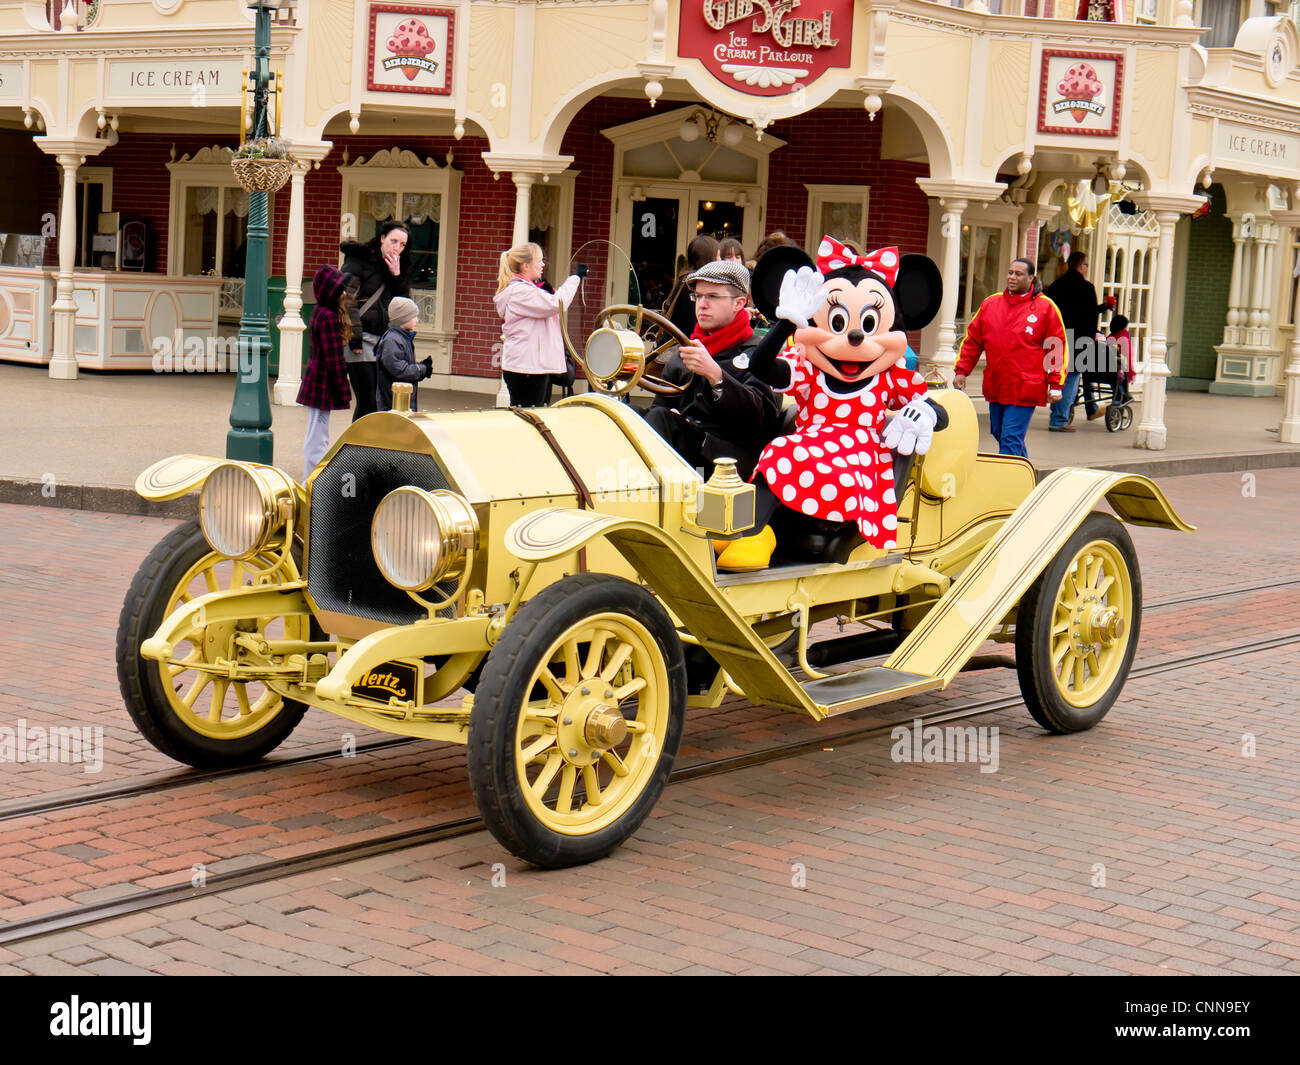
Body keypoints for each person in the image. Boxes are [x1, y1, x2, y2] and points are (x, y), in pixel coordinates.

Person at [642, 258, 780, 489]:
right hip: (686, 454)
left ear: (739, 303)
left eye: (713, 297)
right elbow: (660, 407)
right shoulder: (685, 352)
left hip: (729, 464)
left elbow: (764, 420)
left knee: (659, 420)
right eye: (698, 296)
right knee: (624, 415)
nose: (702, 304)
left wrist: (716, 376)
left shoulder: (759, 353)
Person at [953, 257, 1066, 458]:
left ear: (1031, 278)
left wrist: (1056, 384)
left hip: (1026, 386)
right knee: (998, 431)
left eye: (1018, 274)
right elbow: (972, 341)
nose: (1012, 277)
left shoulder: (1046, 308)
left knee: (1010, 436)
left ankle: (1009, 484)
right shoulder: (990, 304)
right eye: (1010, 272)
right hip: (997, 382)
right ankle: (1026, 474)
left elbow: (1056, 348)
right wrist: (962, 370)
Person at [493, 242, 585, 408]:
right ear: (526, 265)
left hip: (530, 367)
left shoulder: (525, 290)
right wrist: (575, 279)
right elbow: (556, 304)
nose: (543, 265)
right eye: (539, 261)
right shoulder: (521, 292)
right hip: (527, 369)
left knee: (531, 416)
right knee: (529, 418)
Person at [340, 221, 411, 422]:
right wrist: (354, 337)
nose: (397, 247)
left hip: (385, 341)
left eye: (402, 244)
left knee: (381, 401)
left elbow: (404, 307)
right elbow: (346, 300)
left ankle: (368, 445)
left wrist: (396, 276)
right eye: (393, 241)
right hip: (361, 339)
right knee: (367, 399)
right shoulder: (359, 260)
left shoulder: (399, 268)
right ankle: (356, 446)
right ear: (382, 238)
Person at [1045, 250, 1114, 430]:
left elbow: (1048, 310)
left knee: (1057, 377)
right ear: (1081, 266)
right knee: (1071, 379)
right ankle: (1059, 420)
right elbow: (1090, 316)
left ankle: (1060, 414)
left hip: (1056, 337)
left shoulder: (1056, 285)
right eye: (1086, 265)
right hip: (1079, 340)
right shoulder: (1086, 288)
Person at [297, 264, 354, 471]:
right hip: (322, 383)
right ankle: (311, 480)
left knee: (317, 432)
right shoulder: (329, 317)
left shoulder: (320, 312)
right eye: (340, 289)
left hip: (317, 380)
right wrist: (343, 389)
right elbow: (334, 359)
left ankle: (311, 477)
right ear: (332, 291)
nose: (344, 293)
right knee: (318, 436)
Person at [374, 297, 430, 411]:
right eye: (414, 317)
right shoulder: (392, 340)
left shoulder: (401, 338)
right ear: (403, 319)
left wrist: (421, 366)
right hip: (393, 402)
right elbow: (399, 370)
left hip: (401, 401)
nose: (417, 320)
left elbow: (401, 365)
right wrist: (421, 369)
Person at [663, 234, 720, 338]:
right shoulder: (692, 284)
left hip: (675, 342)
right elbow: (692, 324)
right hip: (680, 345)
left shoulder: (685, 279)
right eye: (718, 256)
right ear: (709, 258)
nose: (721, 260)